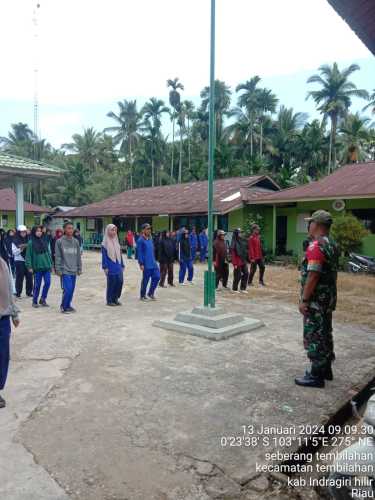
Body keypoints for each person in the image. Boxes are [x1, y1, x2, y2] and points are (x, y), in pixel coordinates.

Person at [295, 210, 339, 389]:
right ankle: (326, 369)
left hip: (315, 299)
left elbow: (313, 275)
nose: (309, 226)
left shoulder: (316, 246)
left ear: (318, 225)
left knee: (314, 335)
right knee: (326, 332)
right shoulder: (332, 244)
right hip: (328, 298)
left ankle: (316, 375)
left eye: (310, 223)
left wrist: (304, 299)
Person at [0, 256, 20, 408]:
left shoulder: (2, 264)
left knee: (3, 355)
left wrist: (14, 313)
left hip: (3, 317)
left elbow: (9, 288)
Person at [55, 221, 82, 314]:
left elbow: (78, 256)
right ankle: (63, 306)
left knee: (72, 290)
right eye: (68, 228)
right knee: (68, 289)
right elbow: (57, 256)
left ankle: (68, 305)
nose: (70, 230)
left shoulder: (76, 242)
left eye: (72, 228)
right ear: (64, 230)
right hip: (64, 270)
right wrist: (57, 269)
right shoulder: (59, 242)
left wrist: (79, 268)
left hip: (74, 269)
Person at [25, 226, 53, 308]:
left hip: (46, 266)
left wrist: (51, 264)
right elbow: (28, 256)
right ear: (34, 232)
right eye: (37, 231)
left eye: (40, 231)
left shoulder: (44, 241)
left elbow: (48, 253)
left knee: (48, 283)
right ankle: (34, 301)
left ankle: (43, 299)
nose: (39, 232)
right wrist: (29, 266)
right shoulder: (31, 243)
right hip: (37, 268)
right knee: (37, 285)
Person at [102, 224, 124, 306]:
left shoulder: (116, 241)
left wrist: (122, 264)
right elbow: (104, 256)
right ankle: (110, 300)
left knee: (120, 281)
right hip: (110, 265)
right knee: (112, 282)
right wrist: (105, 267)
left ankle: (116, 298)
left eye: (115, 230)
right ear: (108, 231)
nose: (114, 232)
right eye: (112, 230)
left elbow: (120, 254)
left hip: (118, 264)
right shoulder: (104, 243)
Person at [137, 223, 160, 301]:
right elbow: (139, 253)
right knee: (145, 280)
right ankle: (142, 295)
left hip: (153, 262)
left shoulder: (150, 238)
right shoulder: (140, 240)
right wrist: (141, 263)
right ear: (143, 230)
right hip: (146, 264)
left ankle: (150, 293)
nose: (149, 230)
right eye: (147, 228)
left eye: (150, 228)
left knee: (157, 277)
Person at [12, 225, 33, 298]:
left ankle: (29, 292)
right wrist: (21, 249)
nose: (23, 233)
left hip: (28, 261)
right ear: (19, 233)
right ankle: (18, 292)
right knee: (19, 277)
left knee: (29, 277)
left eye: (25, 232)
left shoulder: (29, 239)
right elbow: (14, 253)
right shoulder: (15, 241)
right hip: (19, 260)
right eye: (22, 232)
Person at [230, 228, 249, 294]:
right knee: (237, 275)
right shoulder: (233, 242)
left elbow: (245, 251)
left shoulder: (242, 241)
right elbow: (232, 254)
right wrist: (234, 264)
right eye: (239, 232)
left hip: (243, 260)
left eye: (241, 232)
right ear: (236, 234)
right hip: (237, 262)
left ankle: (243, 288)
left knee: (246, 273)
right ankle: (234, 288)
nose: (241, 234)